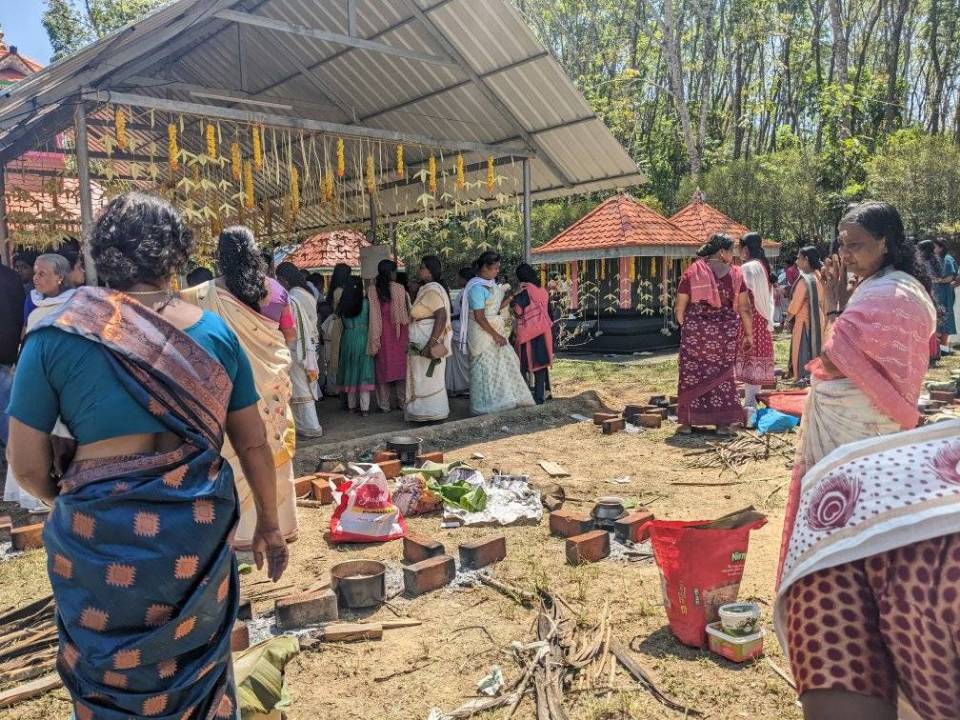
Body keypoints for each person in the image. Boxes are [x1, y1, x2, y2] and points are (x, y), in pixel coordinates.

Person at [7, 192, 288, 720]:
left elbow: (24, 465)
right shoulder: (214, 332)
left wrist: (76, 502)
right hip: (194, 537)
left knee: (107, 684)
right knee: (198, 678)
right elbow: (253, 442)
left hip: (96, 543)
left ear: (99, 255)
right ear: (177, 255)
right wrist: (269, 525)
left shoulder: (56, 332)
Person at [775, 201, 942, 720]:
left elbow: (829, 358)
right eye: (841, 245)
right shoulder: (903, 291)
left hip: (857, 428)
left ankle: (842, 616)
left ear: (887, 243)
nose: (845, 255)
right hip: (886, 428)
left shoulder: (887, 295)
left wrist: (831, 301)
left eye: (856, 245)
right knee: (872, 526)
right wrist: (842, 301)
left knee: (841, 528)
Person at [181, 225, 299, 552]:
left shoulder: (202, 295)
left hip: (230, 390)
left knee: (234, 451)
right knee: (272, 445)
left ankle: (241, 529)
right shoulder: (275, 290)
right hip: (271, 387)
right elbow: (289, 338)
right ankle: (282, 524)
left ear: (220, 256)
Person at [4, 254, 77, 513]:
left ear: (60, 276)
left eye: (43, 273)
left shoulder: (75, 302)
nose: (36, 278)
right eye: (35, 272)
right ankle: (35, 492)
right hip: (35, 369)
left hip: (63, 373)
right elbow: (26, 331)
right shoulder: (31, 301)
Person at [674, 234, 753, 436]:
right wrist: (748, 335)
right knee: (723, 377)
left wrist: (690, 327)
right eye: (731, 250)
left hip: (696, 335)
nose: (732, 255)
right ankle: (723, 424)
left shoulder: (692, 272)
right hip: (724, 337)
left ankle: (687, 424)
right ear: (721, 252)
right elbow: (744, 308)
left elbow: (680, 307)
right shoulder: (736, 275)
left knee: (691, 375)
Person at [461, 251, 535, 415]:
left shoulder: (490, 284)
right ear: (484, 268)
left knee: (501, 366)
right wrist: (495, 335)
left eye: (498, 268)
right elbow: (480, 317)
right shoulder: (476, 288)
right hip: (483, 334)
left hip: (493, 329)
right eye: (494, 268)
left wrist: (512, 296)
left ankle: (502, 399)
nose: (497, 271)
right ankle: (485, 405)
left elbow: (494, 309)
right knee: (484, 368)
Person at [276, 262, 323, 438]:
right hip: (311, 342)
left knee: (300, 386)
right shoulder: (307, 292)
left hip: (299, 344)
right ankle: (306, 424)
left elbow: (293, 324)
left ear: (284, 279)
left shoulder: (293, 297)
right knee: (306, 383)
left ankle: (310, 426)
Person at [736, 232, 776, 423]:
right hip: (761, 318)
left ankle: (749, 406)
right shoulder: (762, 265)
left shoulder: (747, 267)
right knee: (756, 362)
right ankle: (751, 403)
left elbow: (740, 293)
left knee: (750, 360)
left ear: (744, 249)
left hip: (749, 318)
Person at [406, 255, 452, 422]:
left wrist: (431, 343)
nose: (419, 270)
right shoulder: (426, 289)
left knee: (428, 377)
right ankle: (422, 412)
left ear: (430, 271)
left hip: (427, 339)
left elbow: (441, 316)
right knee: (422, 377)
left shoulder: (433, 289)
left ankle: (431, 413)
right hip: (420, 337)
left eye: (422, 267)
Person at [369, 259, 410, 413]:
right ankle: (403, 402)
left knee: (382, 369)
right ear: (391, 272)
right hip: (399, 332)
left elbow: (373, 315)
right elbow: (406, 313)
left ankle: (384, 405)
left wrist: (374, 337)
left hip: (380, 333)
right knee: (401, 369)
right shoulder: (400, 288)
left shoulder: (373, 290)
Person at [511, 263, 554, 405]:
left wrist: (512, 299)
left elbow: (518, 311)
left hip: (528, 333)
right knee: (541, 365)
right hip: (543, 331)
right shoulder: (542, 290)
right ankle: (540, 397)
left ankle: (524, 396)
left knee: (523, 364)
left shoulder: (524, 291)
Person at [786, 246, 826, 384]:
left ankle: (804, 376)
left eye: (798, 258)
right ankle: (816, 375)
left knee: (804, 348)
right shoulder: (820, 276)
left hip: (804, 320)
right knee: (817, 346)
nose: (796, 261)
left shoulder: (805, 280)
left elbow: (796, 303)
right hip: (819, 317)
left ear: (806, 259)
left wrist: (788, 319)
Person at [337, 280, 375, 415]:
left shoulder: (343, 305)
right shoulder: (366, 304)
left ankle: (351, 407)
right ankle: (365, 408)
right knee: (364, 370)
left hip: (347, 338)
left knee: (350, 370)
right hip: (363, 338)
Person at [0, 261, 24, 450]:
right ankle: (14, 454)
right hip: (7, 352)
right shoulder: (12, 277)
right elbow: (20, 316)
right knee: (7, 409)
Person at [325, 263, 353, 398]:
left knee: (335, 356)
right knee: (342, 356)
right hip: (343, 325)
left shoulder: (334, 291)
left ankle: (335, 386)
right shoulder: (342, 291)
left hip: (337, 326)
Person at [446, 266, 473, 397]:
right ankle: (457, 386)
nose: (457, 279)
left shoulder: (467, 292)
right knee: (457, 361)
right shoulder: (465, 291)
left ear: (465, 278)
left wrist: (449, 317)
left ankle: (465, 386)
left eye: (459, 277)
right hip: (460, 328)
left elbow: (463, 314)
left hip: (461, 329)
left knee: (462, 360)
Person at [932, 239, 956, 348]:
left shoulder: (947, 259)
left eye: (935, 247)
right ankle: (938, 346)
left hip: (945, 292)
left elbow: (950, 277)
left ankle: (944, 345)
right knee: (938, 316)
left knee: (945, 315)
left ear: (941, 247)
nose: (933, 249)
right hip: (938, 292)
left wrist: (938, 280)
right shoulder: (936, 259)